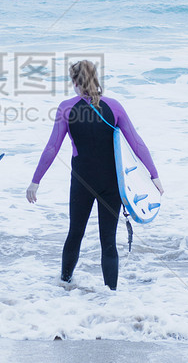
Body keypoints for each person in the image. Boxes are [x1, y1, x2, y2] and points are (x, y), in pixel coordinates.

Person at [26, 60, 163, 290]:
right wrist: (154, 175)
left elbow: (52, 148)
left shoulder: (67, 108)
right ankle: (111, 294)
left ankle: (64, 283)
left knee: (75, 234)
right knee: (108, 241)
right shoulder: (114, 106)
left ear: (74, 81)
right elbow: (137, 143)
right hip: (112, 184)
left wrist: (35, 181)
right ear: (95, 78)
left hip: (82, 183)